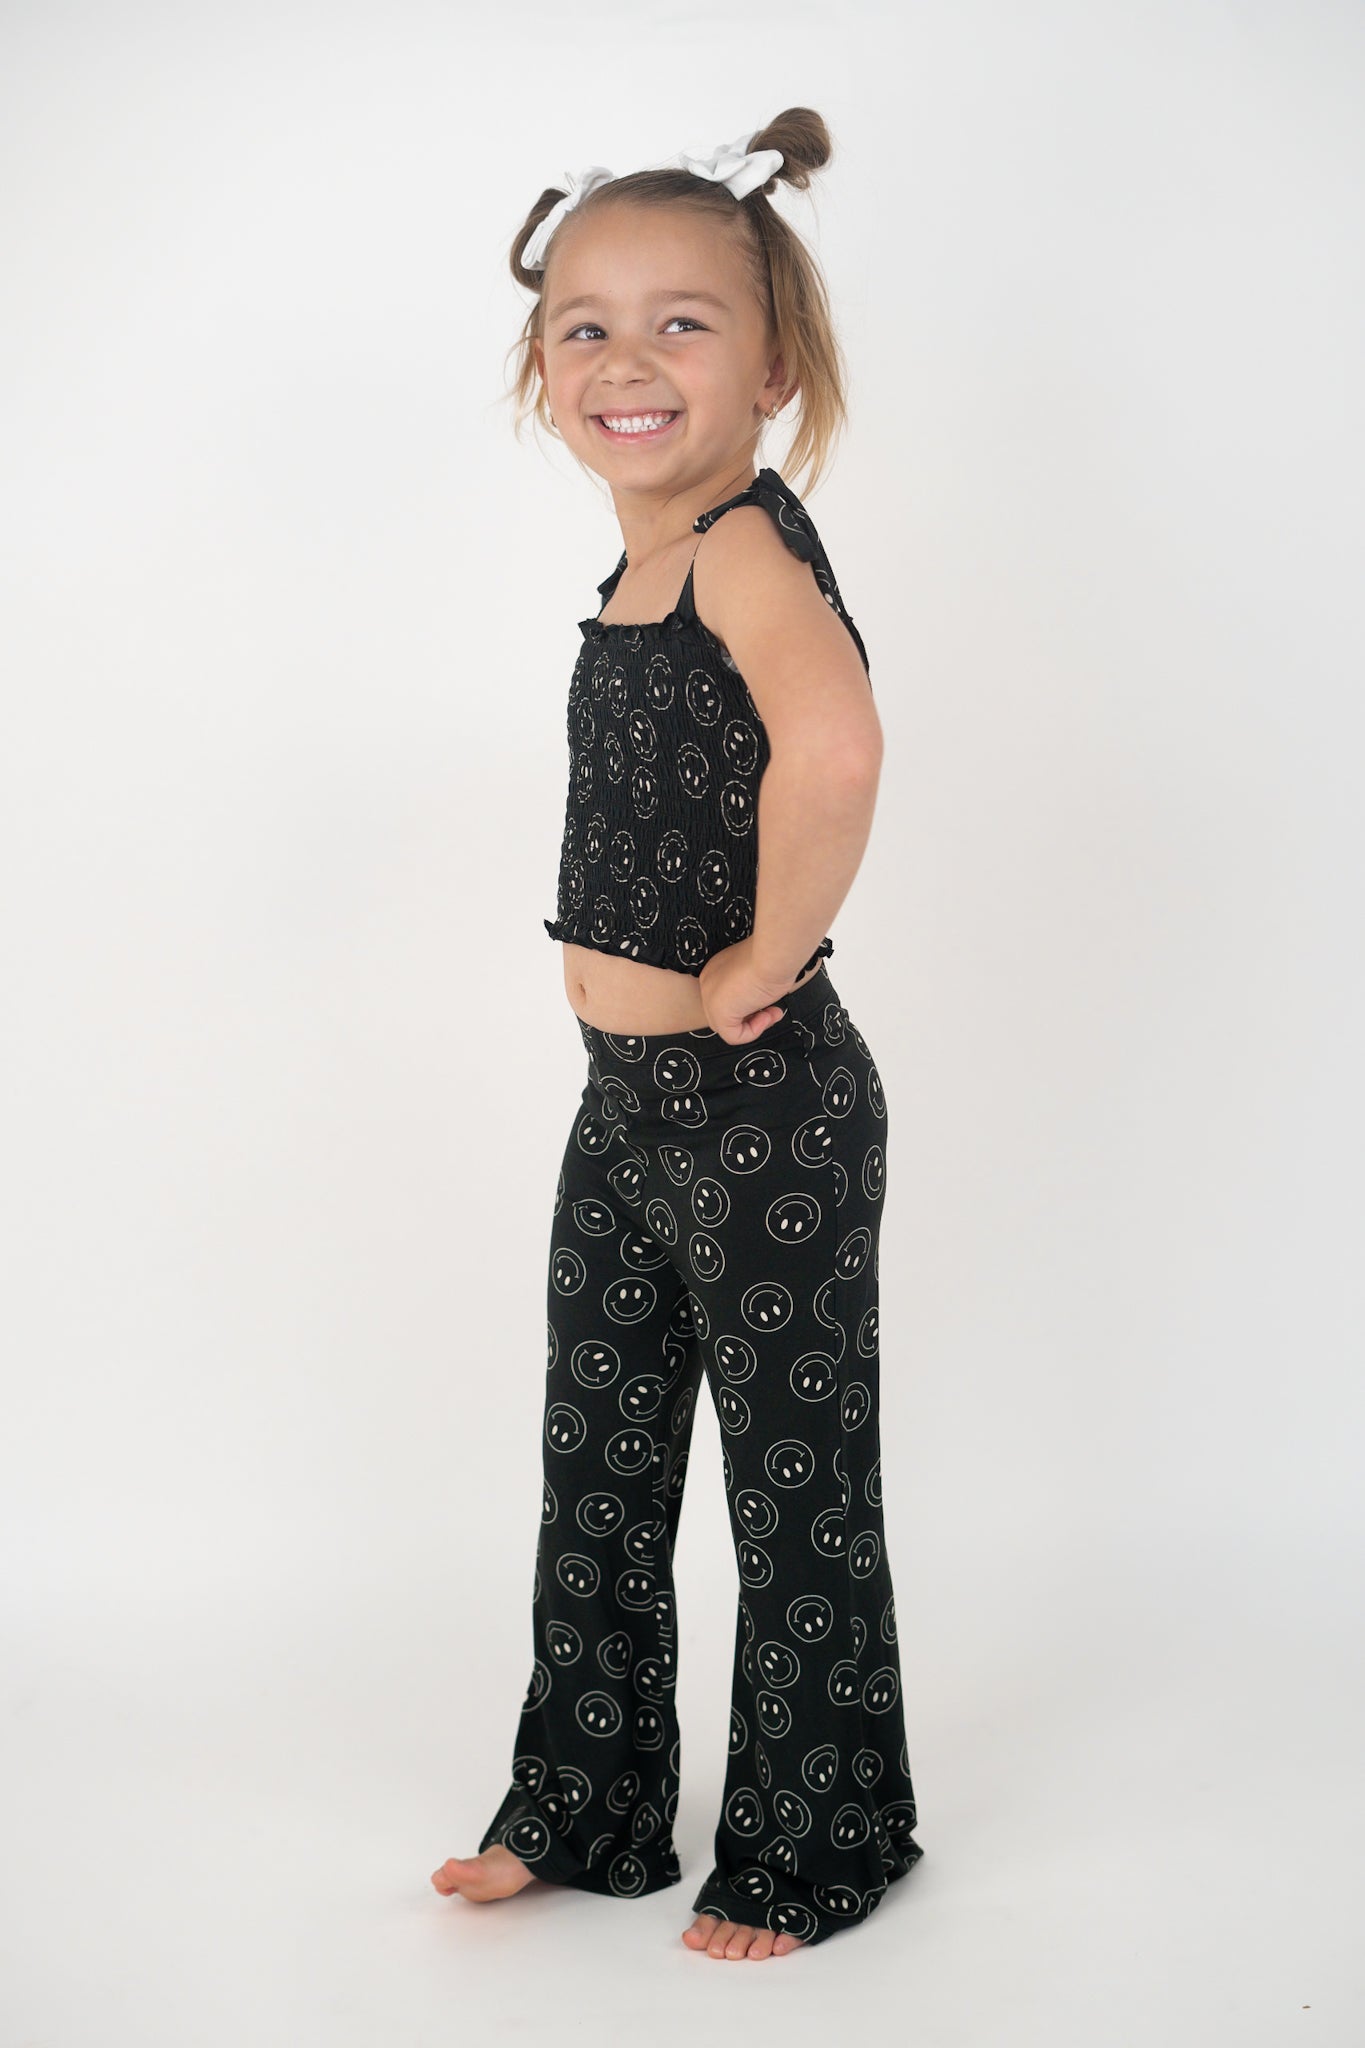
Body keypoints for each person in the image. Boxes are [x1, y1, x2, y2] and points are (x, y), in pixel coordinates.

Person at [431, 107, 925, 1960]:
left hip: (761, 1101)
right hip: (625, 1102)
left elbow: (839, 748)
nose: (626, 361)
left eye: (682, 324)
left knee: (794, 1494)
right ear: (541, 367)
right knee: (602, 1464)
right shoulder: (645, 567)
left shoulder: (737, 552)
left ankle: (819, 1844)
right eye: (586, 327)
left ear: (773, 367)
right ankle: (584, 1805)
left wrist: (766, 953)